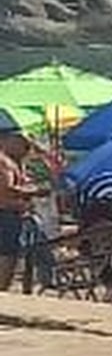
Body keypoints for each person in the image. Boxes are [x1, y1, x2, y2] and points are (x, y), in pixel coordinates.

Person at [0, 125, 32, 293]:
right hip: (6, 212)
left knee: (12, 253)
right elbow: (6, 188)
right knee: (7, 253)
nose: (26, 148)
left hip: (13, 212)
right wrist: (33, 191)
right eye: (22, 144)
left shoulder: (15, 162)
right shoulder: (3, 162)